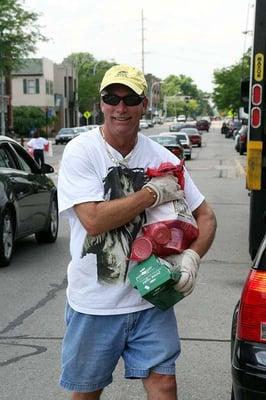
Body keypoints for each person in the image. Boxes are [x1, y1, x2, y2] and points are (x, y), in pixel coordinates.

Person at [58, 64, 217, 400]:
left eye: (130, 98)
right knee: (86, 393)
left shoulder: (163, 157)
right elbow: (93, 219)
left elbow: (207, 216)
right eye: (111, 97)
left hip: (150, 302)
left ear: (144, 104)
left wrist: (191, 257)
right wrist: (151, 194)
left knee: (164, 384)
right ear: (100, 103)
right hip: (94, 305)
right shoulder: (82, 151)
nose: (120, 106)